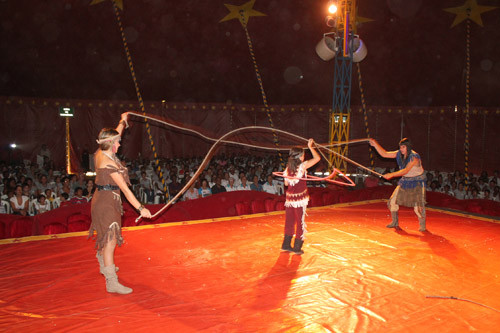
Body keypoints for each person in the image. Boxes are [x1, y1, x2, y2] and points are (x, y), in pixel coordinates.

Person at [89, 112, 152, 295]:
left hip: (104, 199)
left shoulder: (101, 150)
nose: (119, 143)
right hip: (106, 203)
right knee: (110, 240)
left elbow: (116, 133)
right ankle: (111, 282)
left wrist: (122, 121)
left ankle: (104, 262)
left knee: (107, 237)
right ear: (110, 144)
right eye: (117, 142)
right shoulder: (108, 164)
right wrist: (141, 208)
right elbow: (126, 190)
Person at [369, 138, 427, 232]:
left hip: (417, 182)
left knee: (418, 208)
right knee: (392, 202)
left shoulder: (414, 157)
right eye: (400, 147)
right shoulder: (399, 153)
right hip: (405, 181)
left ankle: (422, 225)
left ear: (408, 147)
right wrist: (375, 144)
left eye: (403, 147)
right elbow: (384, 154)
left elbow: (405, 171)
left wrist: (391, 175)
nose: (401, 149)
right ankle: (395, 222)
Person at [281, 139, 320, 255]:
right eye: (303, 155)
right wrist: (311, 147)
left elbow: (286, 184)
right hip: (300, 200)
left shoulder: (288, 169)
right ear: (300, 157)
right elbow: (317, 158)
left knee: (289, 222)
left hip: (290, 200)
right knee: (300, 223)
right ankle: (297, 247)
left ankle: (286, 245)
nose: (304, 157)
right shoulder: (303, 166)